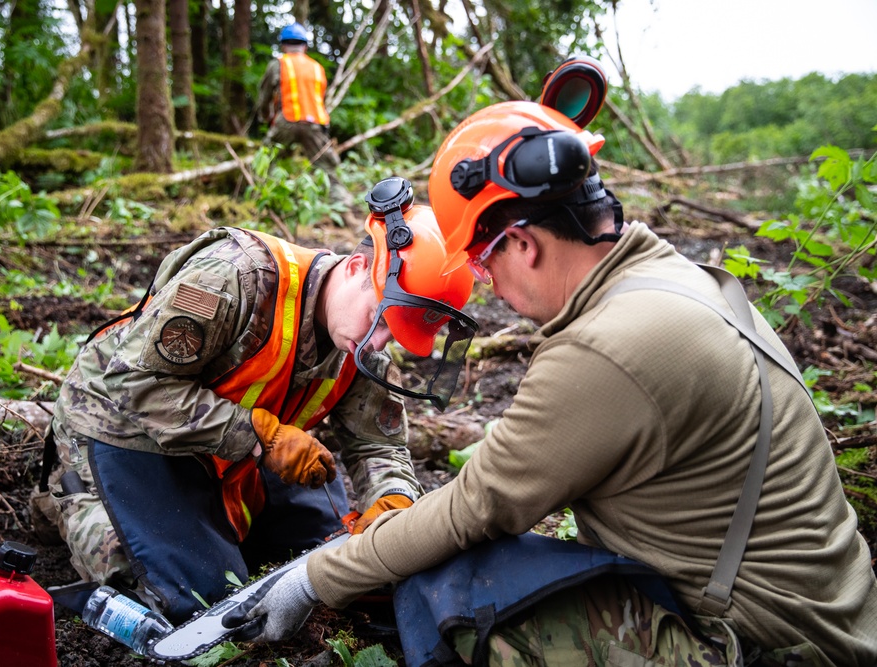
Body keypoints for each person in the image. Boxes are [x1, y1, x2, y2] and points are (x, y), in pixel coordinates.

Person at [221, 101, 877, 666]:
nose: (486, 283)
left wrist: (312, 577)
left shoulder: (606, 346)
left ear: (524, 245)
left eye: (481, 262)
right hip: (830, 612)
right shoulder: (680, 280)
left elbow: (473, 507)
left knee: (451, 586)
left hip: (761, 640)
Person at [30, 185, 478, 624]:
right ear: (358, 266)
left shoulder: (363, 346)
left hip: (233, 454)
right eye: (381, 319)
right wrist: (260, 435)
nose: (377, 342)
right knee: (199, 606)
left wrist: (393, 502)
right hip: (125, 429)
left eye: (395, 333)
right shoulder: (232, 277)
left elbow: (379, 447)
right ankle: (72, 497)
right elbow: (134, 384)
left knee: (347, 567)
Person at [254, 21, 354, 211]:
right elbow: (318, 98)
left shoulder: (278, 64)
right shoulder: (317, 67)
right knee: (327, 168)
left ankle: (268, 202)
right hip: (315, 123)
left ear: (283, 45)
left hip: (288, 120)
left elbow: (265, 96)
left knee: (267, 158)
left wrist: (266, 117)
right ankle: (342, 207)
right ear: (305, 46)